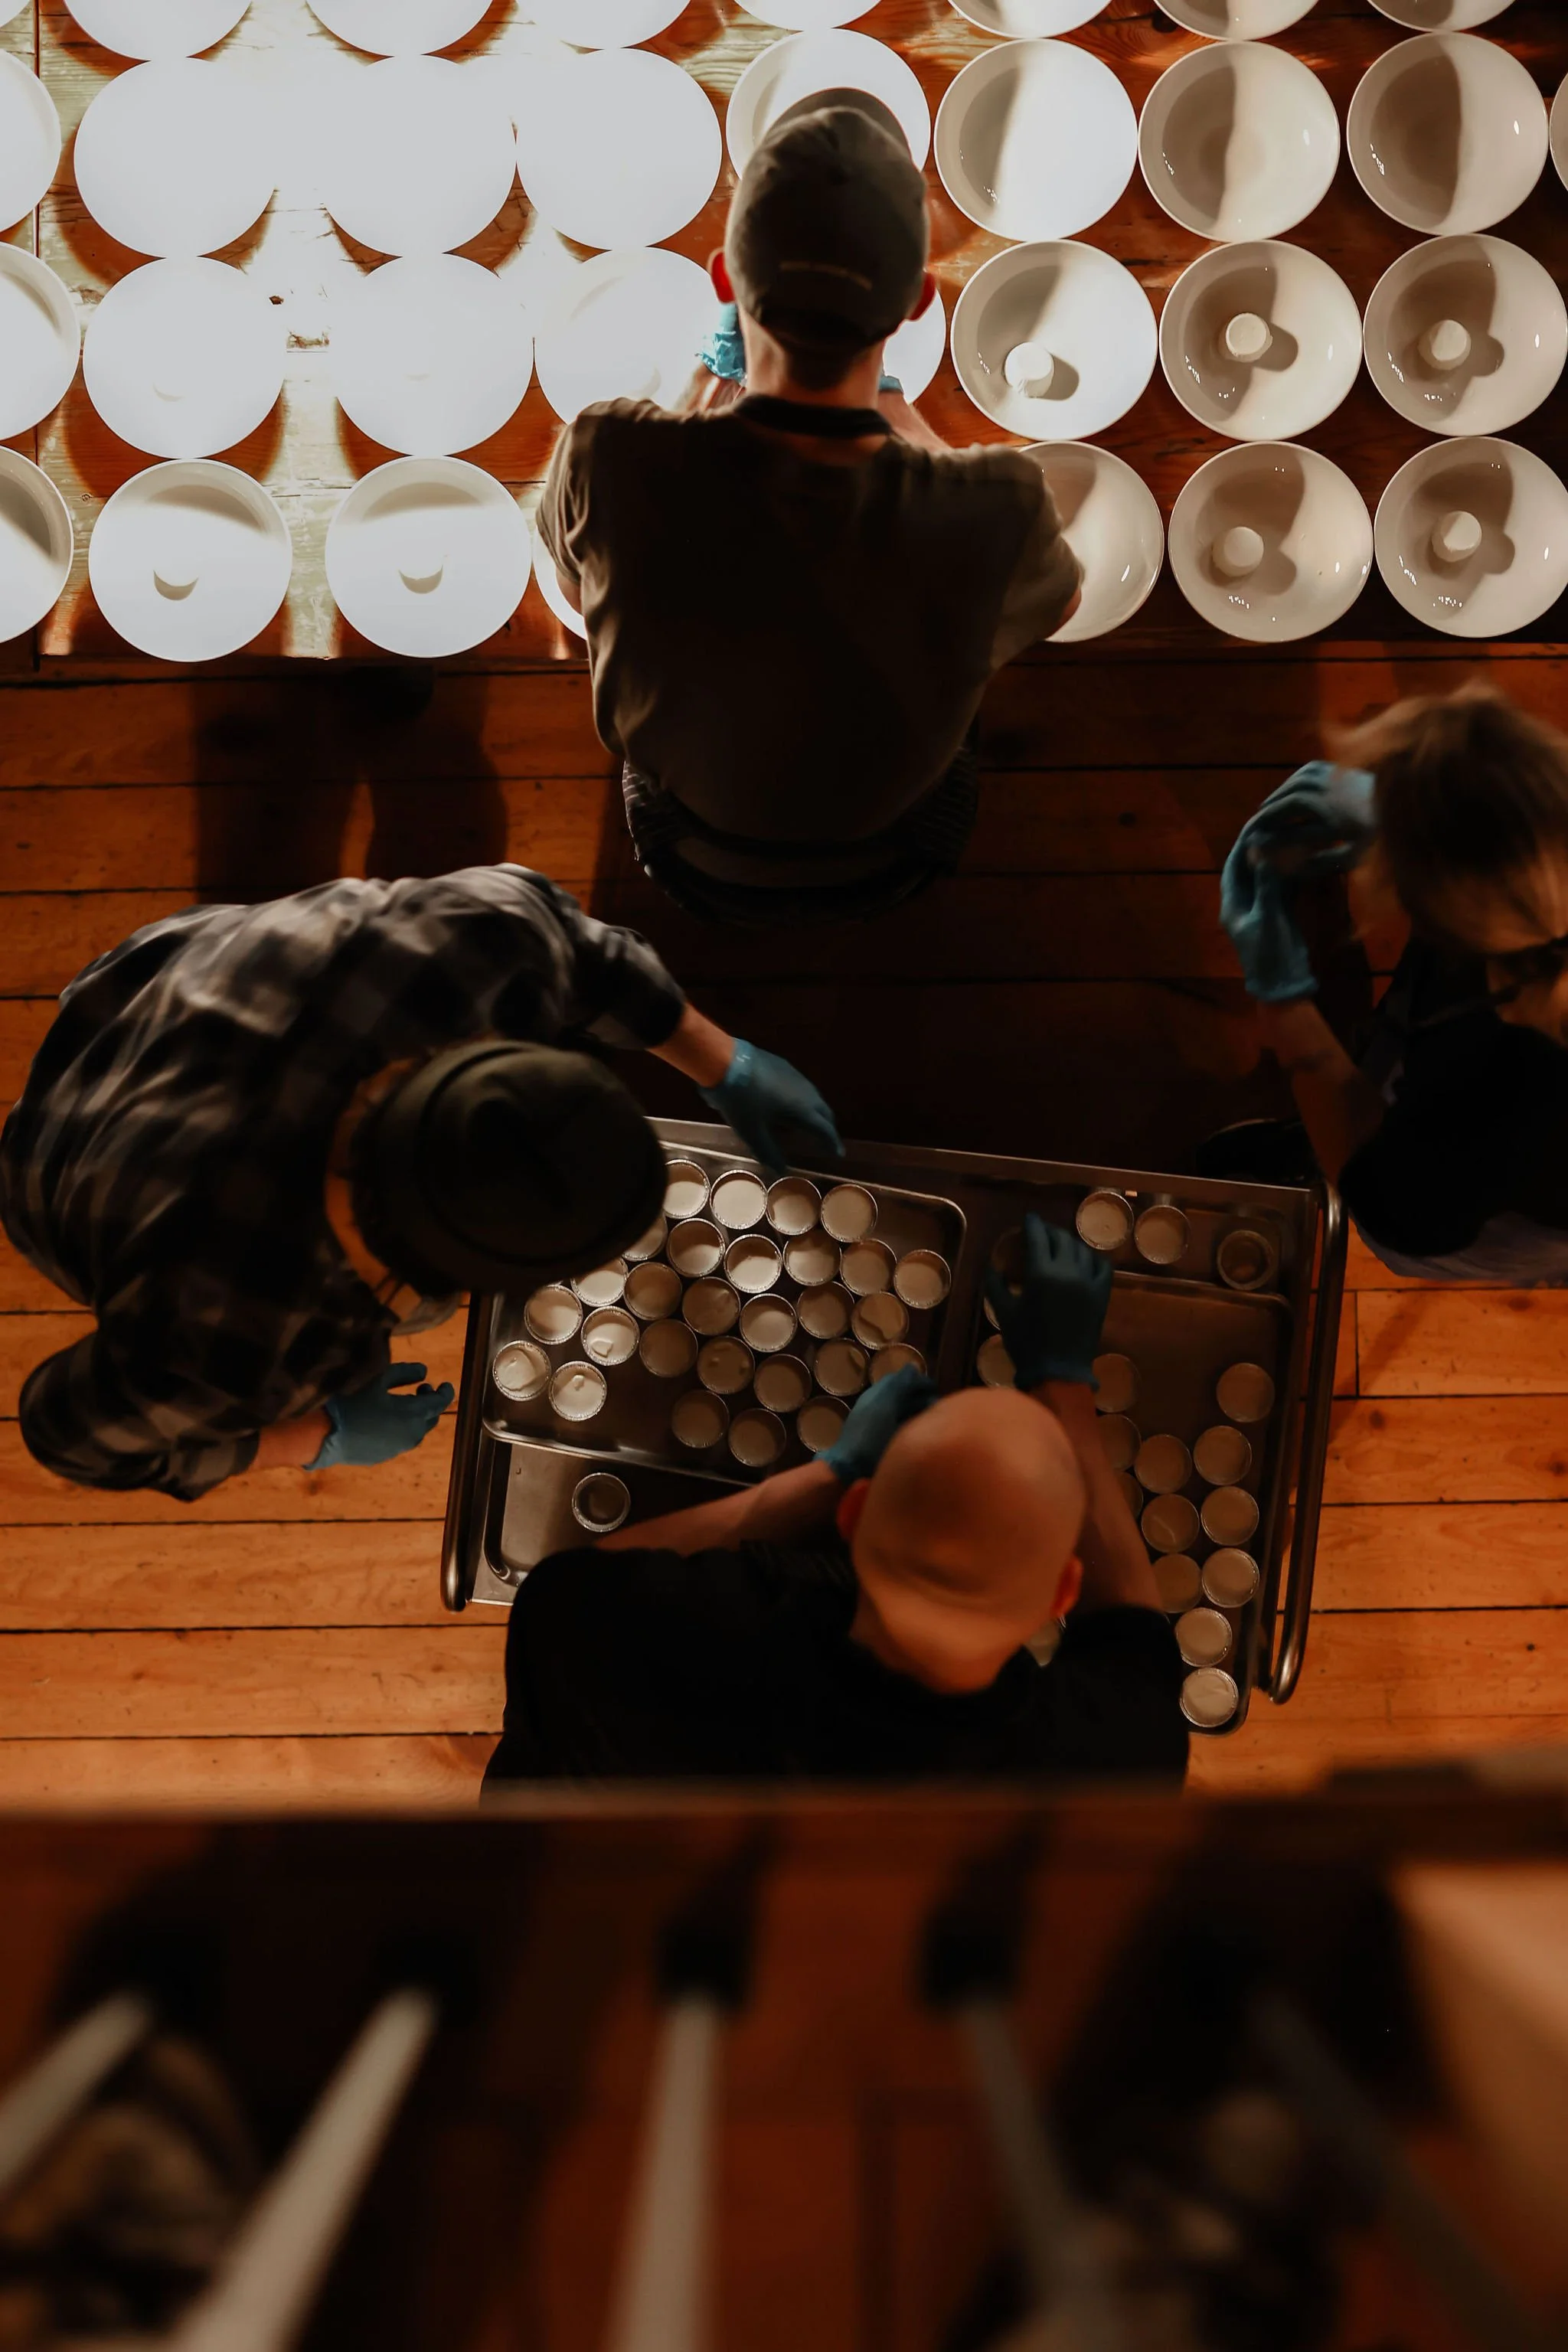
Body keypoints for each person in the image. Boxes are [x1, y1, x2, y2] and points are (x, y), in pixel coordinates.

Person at [0, 866, 840, 1501]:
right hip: (65, 1173)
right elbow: (69, 1436)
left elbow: (576, 947)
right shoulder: (235, 1339)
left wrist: (721, 1061)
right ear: (448, 1280)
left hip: (156, 993)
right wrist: (306, 1437)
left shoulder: (469, 948)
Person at [535, 88, 1082, 926]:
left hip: (688, 851)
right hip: (893, 856)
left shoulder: (605, 453)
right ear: (916, 301)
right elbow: (1060, 602)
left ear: (724, 278)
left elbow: (577, 596)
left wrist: (703, 383)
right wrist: (891, 406)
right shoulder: (998, 506)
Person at [485, 1219, 1187, 1786]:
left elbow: (575, 1584)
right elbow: (1134, 1625)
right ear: (1063, 1591)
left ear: (852, 1516)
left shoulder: (632, 1643)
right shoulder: (1112, 1759)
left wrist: (827, 1476)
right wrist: (1062, 1385)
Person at [1214, 684, 1568, 1282]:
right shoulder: (1522, 927)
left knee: (1377, 1162)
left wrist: (1283, 1000)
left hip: (1494, 1211)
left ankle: (1321, 1156)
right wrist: (1410, 816)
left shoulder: (1504, 1104)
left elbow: (1402, 1213)